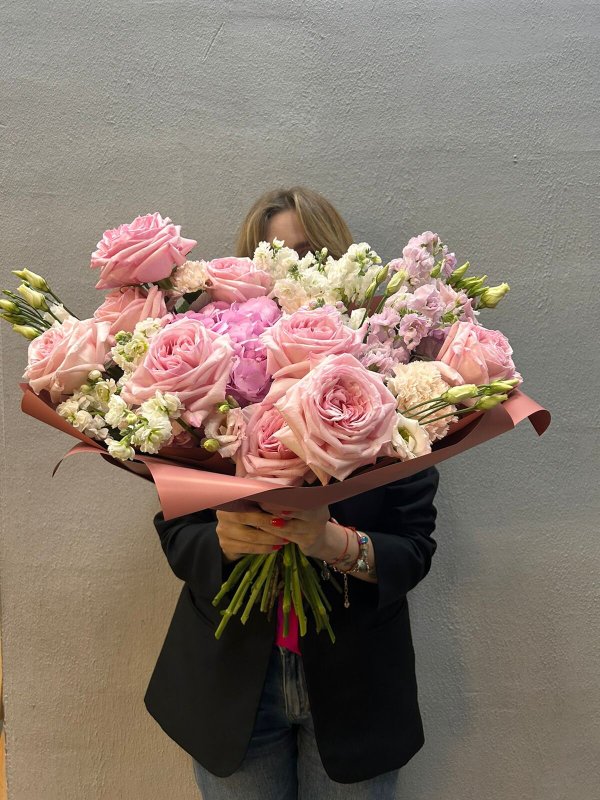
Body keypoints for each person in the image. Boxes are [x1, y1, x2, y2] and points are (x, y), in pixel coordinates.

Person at [143, 186, 441, 798]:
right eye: (269, 253)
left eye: (305, 252)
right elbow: (176, 534)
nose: (286, 269)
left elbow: (414, 550)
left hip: (356, 683)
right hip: (231, 681)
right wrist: (224, 543)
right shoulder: (212, 378)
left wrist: (335, 543)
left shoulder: (385, 382)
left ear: (336, 259)